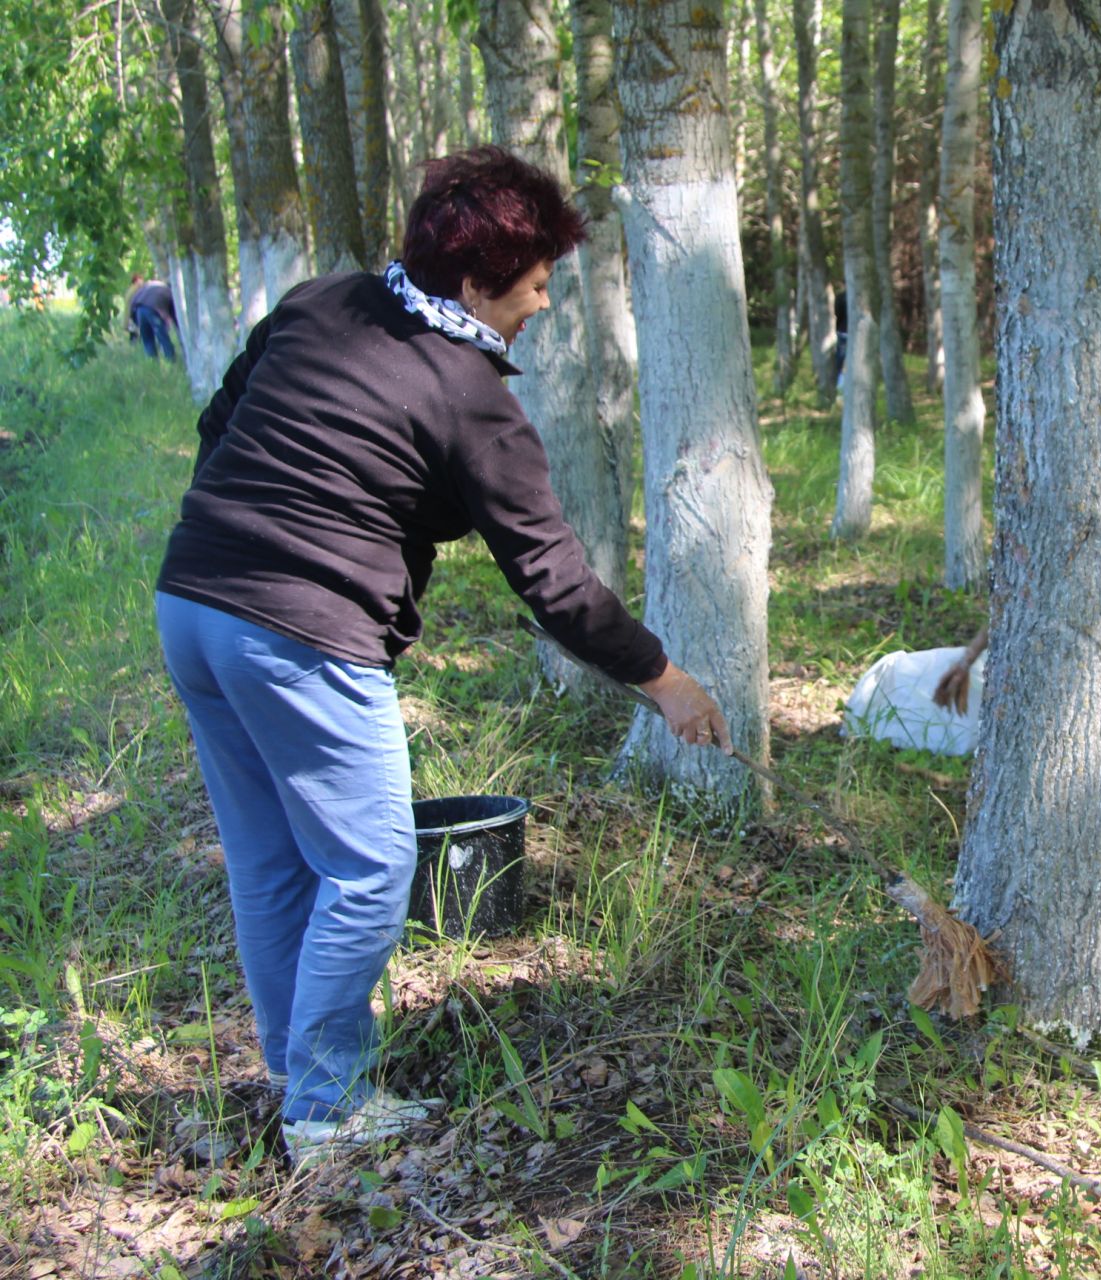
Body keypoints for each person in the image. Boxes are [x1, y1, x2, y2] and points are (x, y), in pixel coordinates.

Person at [154, 146, 730, 1168]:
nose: (544, 302)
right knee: (372, 867)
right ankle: (327, 1108)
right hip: (300, 635)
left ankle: (299, 1079)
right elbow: (553, 577)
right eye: (537, 281)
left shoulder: (320, 301)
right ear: (473, 283)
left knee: (272, 860)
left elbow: (221, 418)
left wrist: (230, 530)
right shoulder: (470, 394)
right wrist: (663, 678)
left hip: (192, 601)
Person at [128, 275, 179, 362]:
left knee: (147, 339)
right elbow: (174, 315)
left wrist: (135, 320)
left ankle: (152, 362)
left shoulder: (150, 284)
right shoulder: (169, 291)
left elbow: (132, 302)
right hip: (152, 311)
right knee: (163, 337)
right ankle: (171, 360)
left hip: (138, 310)